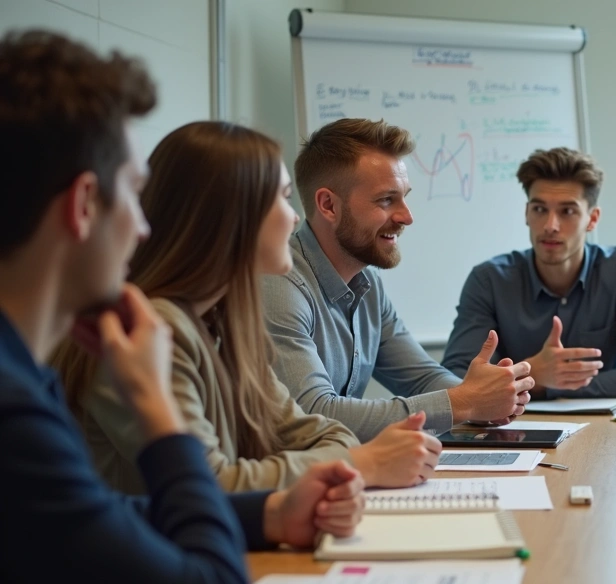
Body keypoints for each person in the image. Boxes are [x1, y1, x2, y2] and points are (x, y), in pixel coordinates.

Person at [0, 30, 363, 584]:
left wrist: (271, 512)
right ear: (84, 205)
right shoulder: (12, 413)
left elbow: (102, 517)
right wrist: (158, 413)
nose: (144, 228)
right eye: (134, 196)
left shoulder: (22, 379)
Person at [54, 121, 441, 493]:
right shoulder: (152, 329)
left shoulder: (225, 322)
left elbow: (317, 430)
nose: (293, 217)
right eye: (282, 198)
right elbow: (212, 484)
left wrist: (332, 464)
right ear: (231, 216)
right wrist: (363, 463)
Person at [262, 118, 534, 440]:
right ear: (328, 205)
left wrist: (485, 396)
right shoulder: (278, 285)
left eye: (404, 197)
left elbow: (422, 378)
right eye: (386, 200)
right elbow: (314, 414)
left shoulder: (367, 284)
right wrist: (465, 402)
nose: (407, 216)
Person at [441, 147, 616, 400]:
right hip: (515, 426)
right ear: (527, 213)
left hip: (604, 427)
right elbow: (456, 378)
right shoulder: (489, 280)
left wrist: (543, 382)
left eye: (567, 211)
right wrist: (533, 373)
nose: (551, 226)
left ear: (592, 219)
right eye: (540, 209)